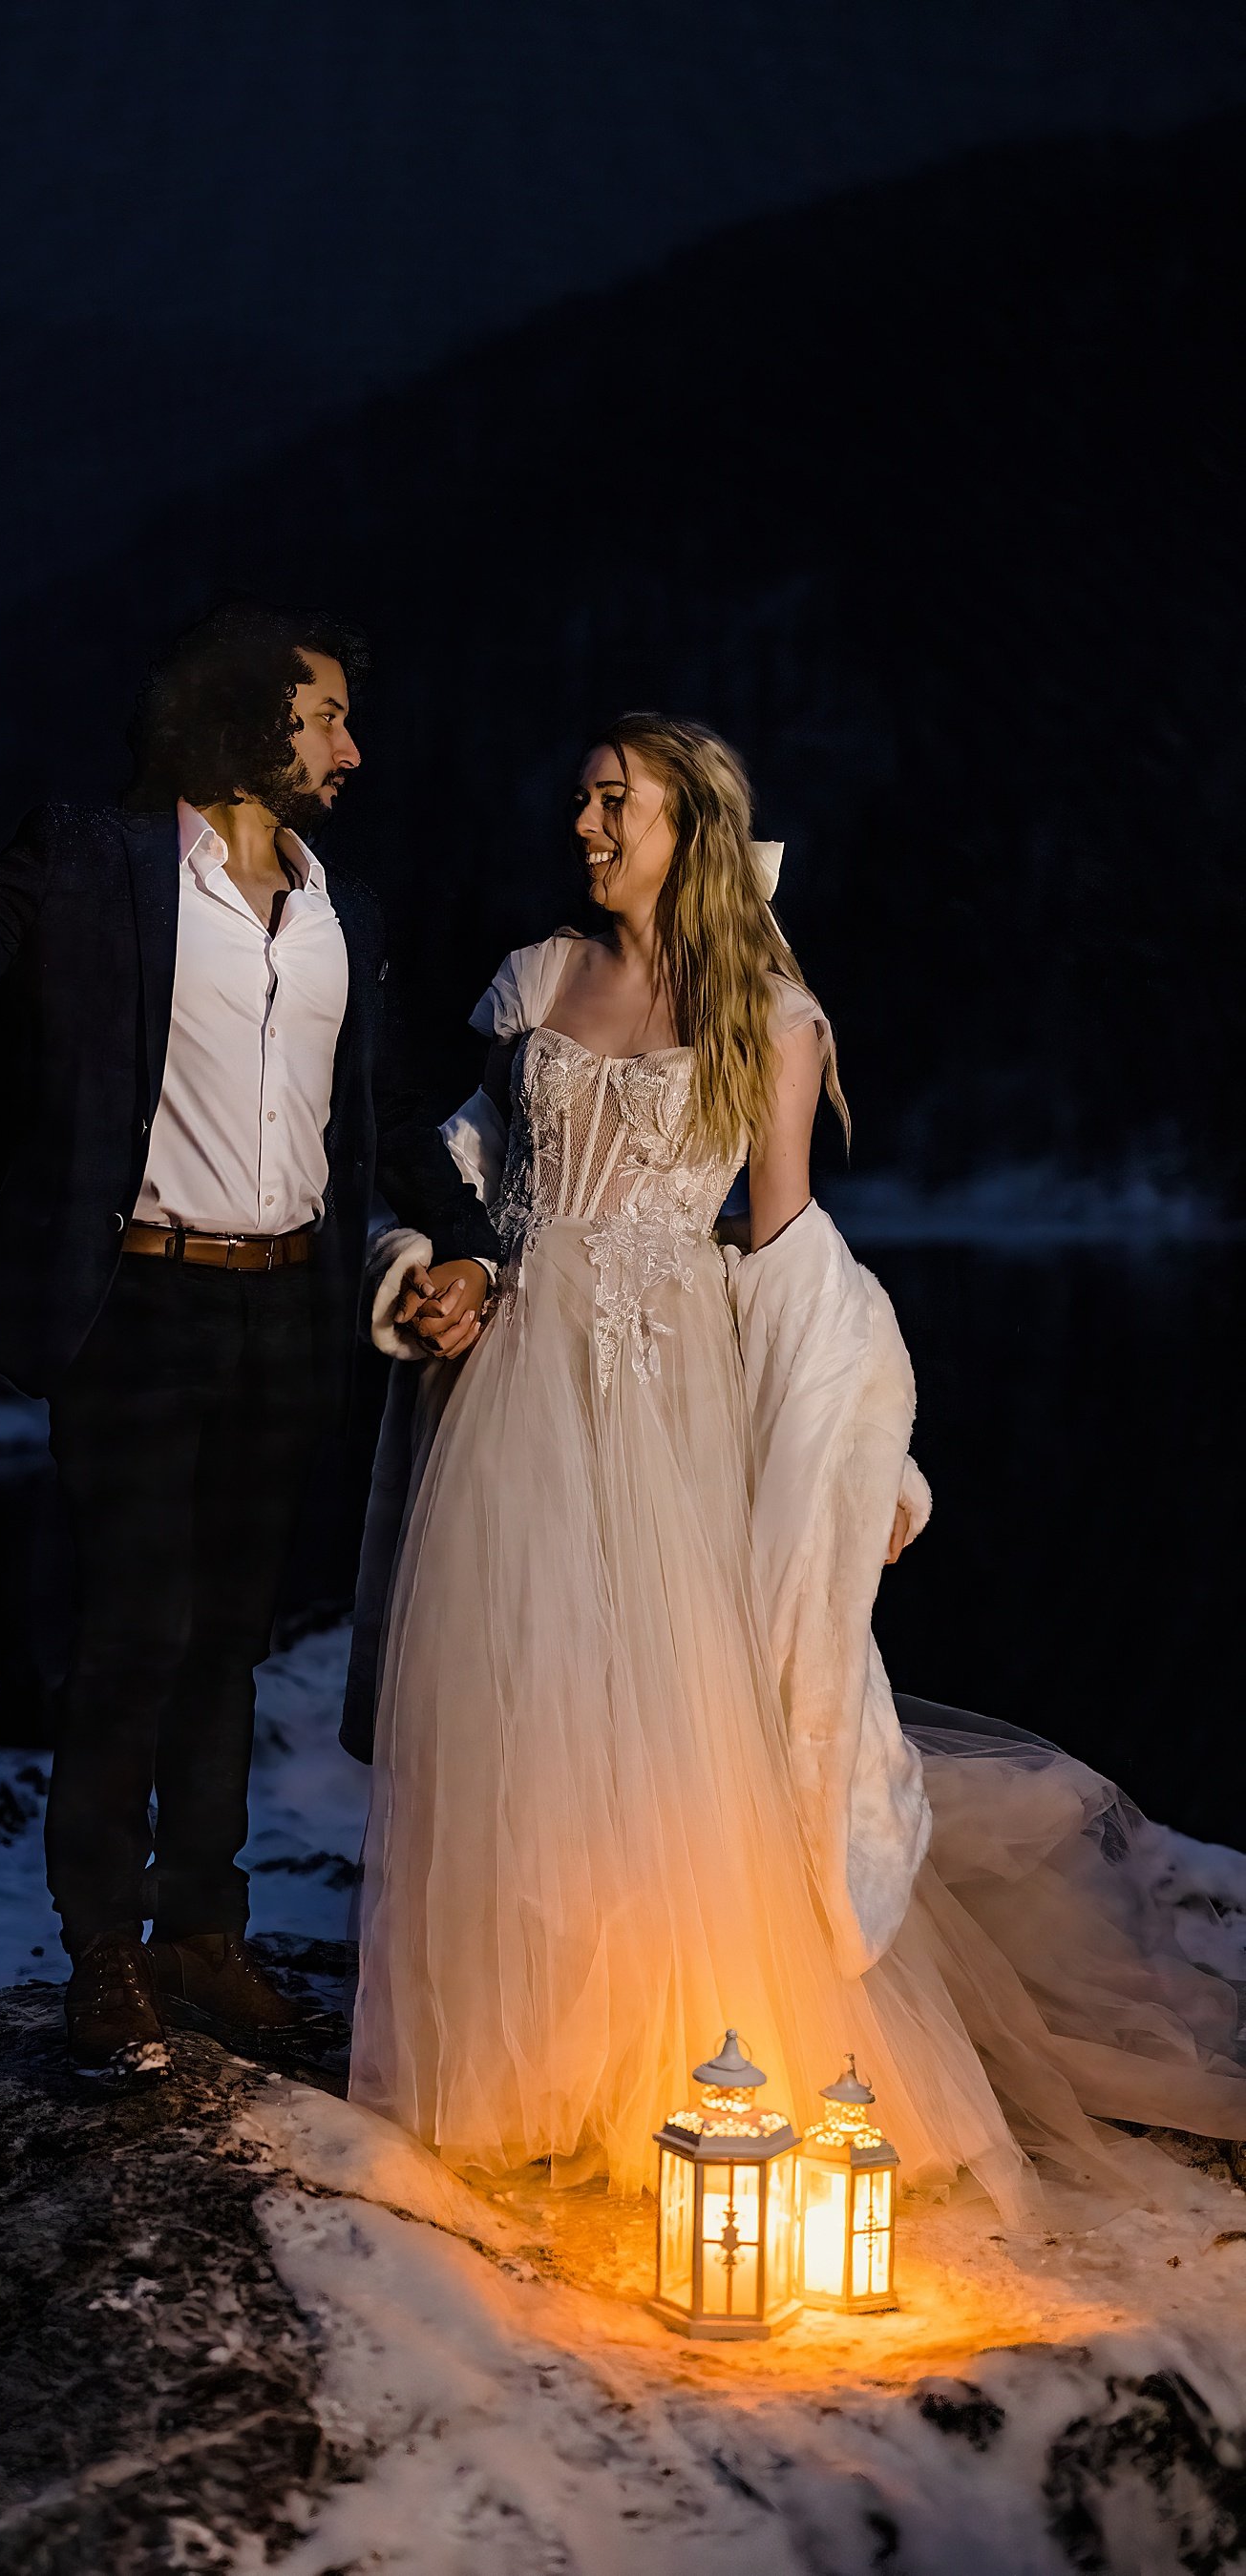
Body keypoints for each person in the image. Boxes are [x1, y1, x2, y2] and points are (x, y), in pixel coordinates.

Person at [348, 714, 1246, 2219]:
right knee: (534, 1715)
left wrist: (865, 1457)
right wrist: (437, 1267)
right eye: (577, 796)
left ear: (690, 821)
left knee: (678, 1729)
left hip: (670, 1390)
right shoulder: (539, 979)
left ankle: (677, 2064)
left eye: (613, 800)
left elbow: (781, 1249)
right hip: (518, 1392)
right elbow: (475, 1183)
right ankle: (533, 2066)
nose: (582, 822)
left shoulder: (770, 1017)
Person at [0, 604, 498, 2079]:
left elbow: (371, 1118)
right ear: (245, 723)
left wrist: (478, 1244)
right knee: (132, 1639)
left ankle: (203, 1937)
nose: (354, 750)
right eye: (327, 720)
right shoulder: (90, 862)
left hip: (286, 1312)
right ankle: (103, 1953)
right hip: (137, 1303)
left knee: (228, 1646)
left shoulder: (340, 912)